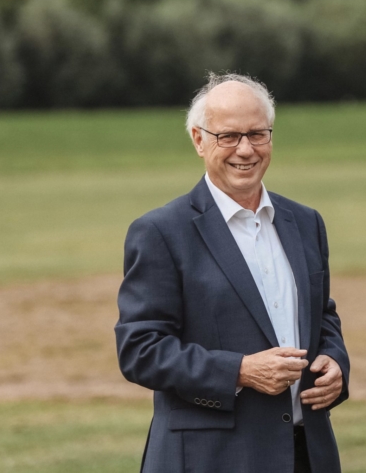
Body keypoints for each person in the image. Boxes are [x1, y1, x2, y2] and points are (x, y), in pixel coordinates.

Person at [115, 73, 349, 473]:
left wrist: (334, 360)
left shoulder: (306, 222)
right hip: (213, 459)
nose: (245, 149)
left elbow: (320, 313)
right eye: (228, 136)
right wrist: (240, 371)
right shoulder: (160, 232)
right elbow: (140, 350)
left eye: (258, 134)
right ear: (198, 139)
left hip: (306, 454)